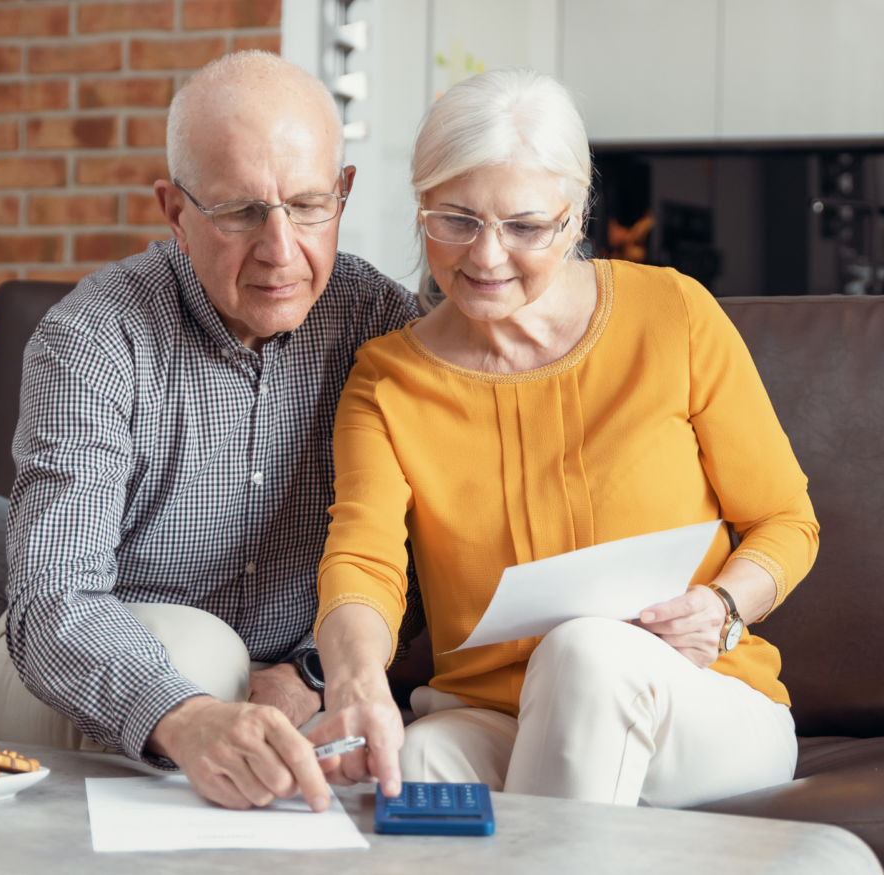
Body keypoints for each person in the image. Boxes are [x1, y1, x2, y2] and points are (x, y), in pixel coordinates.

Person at [306, 69, 819, 808]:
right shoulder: (387, 380)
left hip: (698, 704)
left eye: (524, 226)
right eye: (456, 219)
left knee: (585, 653)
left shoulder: (672, 314)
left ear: (575, 217)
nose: (485, 257)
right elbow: (364, 562)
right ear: (420, 208)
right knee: (409, 763)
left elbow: (786, 521)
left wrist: (725, 606)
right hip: (494, 719)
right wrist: (356, 690)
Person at [0, 51, 422, 814]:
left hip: (287, 672)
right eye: (240, 212)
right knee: (205, 658)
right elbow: (54, 602)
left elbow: (423, 565)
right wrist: (192, 714)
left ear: (343, 193)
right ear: (174, 210)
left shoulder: (385, 325)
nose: (280, 251)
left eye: (309, 205)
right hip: (73, 661)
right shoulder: (91, 338)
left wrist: (308, 673)